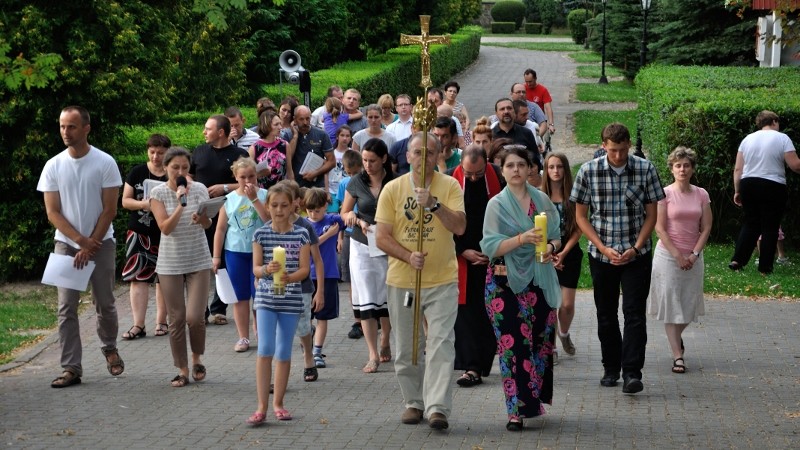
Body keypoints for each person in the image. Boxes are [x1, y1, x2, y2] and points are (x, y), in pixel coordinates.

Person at [375, 132, 466, 430]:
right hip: (404, 281)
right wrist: (407, 256)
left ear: (438, 156)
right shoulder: (393, 189)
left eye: (429, 152)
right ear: (408, 156)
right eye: (417, 152)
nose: (423, 157)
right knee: (408, 347)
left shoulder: (450, 185)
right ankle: (414, 402)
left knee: (441, 343)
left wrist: (435, 205)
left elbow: (460, 227)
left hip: (442, 280)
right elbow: (381, 237)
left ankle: (437, 407)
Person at [570, 123, 665, 394]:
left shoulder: (645, 169)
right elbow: (581, 217)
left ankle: (632, 372)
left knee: (634, 313)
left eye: (622, 150)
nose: (618, 156)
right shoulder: (588, 171)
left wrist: (636, 247)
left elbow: (652, 215)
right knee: (606, 313)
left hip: (637, 254)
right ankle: (611, 367)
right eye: (613, 150)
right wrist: (602, 247)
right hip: (602, 255)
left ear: (629, 145)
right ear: (603, 146)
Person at [38, 105, 124, 388]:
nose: (66, 132)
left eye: (71, 126)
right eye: (62, 126)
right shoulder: (53, 165)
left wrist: (90, 245)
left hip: (102, 242)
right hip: (66, 245)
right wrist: (80, 242)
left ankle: (109, 346)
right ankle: (71, 367)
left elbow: (110, 210)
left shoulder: (105, 162)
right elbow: (53, 212)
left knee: (105, 303)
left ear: (86, 128)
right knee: (66, 308)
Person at [480, 145, 561, 431]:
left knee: (538, 344)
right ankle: (515, 410)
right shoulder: (496, 205)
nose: (516, 170)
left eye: (521, 165)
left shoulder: (541, 200)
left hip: (538, 280)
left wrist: (550, 248)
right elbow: (490, 246)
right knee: (512, 346)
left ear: (530, 169)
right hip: (503, 283)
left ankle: (532, 401)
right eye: (510, 165)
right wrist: (521, 239)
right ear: (502, 171)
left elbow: (556, 236)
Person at [246, 183, 311, 426]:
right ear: (267, 206)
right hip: (266, 299)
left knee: (283, 352)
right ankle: (261, 406)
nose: (279, 210)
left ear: (294, 205)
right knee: (265, 349)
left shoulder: (301, 234)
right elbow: (255, 268)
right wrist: (266, 269)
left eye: (284, 205)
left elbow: (305, 269)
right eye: (274, 205)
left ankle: (278, 404)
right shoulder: (260, 234)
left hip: (291, 300)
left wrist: (289, 278)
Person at [150, 147, 214, 387]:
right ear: (166, 167)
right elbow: (165, 228)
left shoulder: (199, 188)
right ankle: (183, 369)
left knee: (195, 317)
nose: (180, 172)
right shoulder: (157, 193)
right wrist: (181, 205)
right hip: (170, 263)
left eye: (185, 168)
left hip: (198, 258)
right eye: (175, 167)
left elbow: (208, 223)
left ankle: (197, 358)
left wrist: (202, 219)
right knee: (176, 319)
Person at [648, 146, 712, 374]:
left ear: (692, 169)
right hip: (668, 257)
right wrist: (677, 255)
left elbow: (706, 227)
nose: (682, 169)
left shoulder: (701, 194)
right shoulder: (664, 194)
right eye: (678, 165)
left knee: (689, 304)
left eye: (686, 165)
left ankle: (676, 337)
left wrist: (694, 254)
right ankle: (678, 356)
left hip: (693, 256)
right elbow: (659, 228)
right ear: (672, 169)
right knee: (671, 305)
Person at [447, 144, 503, 387]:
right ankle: (471, 367)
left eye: (478, 174)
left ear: (486, 164)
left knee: (489, 311)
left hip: (492, 255)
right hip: (463, 256)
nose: (472, 178)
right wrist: (463, 250)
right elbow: (443, 221)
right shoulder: (450, 179)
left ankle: (483, 362)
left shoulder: (498, 176)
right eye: (468, 173)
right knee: (466, 314)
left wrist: (494, 249)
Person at [341, 138, 395, 372]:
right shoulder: (356, 181)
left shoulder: (396, 181)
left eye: (372, 160)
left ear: (383, 159)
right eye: (364, 160)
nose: (367, 165)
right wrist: (354, 218)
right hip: (361, 244)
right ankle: (372, 353)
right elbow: (344, 212)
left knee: (387, 296)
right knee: (366, 298)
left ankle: (385, 340)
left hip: (388, 244)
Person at [192, 114, 248, 325]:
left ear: (221, 132)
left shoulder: (239, 154)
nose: (204, 132)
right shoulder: (199, 151)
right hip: (202, 214)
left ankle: (219, 307)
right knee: (202, 261)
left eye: (208, 129)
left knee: (222, 261)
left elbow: (249, 182)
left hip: (228, 213)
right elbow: (188, 175)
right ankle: (201, 309)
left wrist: (224, 188)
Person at [730, 110, 800, 274]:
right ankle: (765, 267)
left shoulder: (747, 139)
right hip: (773, 185)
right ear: (774, 121)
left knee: (751, 223)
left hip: (748, 183)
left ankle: (737, 260)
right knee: (770, 226)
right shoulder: (782, 138)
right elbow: (795, 165)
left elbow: (738, 168)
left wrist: (737, 190)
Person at [212, 157, 269, 352]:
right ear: (236, 177)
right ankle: (243, 337)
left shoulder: (265, 195)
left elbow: (268, 221)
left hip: (260, 253)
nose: (247, 181)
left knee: (260, 295)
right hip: (235, 252)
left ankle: (261, 332)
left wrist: (254, 199)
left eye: (251, 176)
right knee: (240, 296)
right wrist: (216, 257)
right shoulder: (229, 199)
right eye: (243, 177)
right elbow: (220, 229)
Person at [120, 134, 170, 341]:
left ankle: (161, 321)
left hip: (165, 232)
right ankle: (138, 324)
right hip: (139, 232)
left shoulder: (172, 174)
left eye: (160, 153)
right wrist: (144, 204)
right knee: (137, 277)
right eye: (152, 152)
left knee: (164, 278)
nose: (156, 157)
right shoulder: (137, 172)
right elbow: (125, 201)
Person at [542, 153, 584, 361]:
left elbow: (579, 228)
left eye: (559, 167)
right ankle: (550, 346)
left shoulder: (574, 195)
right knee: (549, 304)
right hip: (546, 253)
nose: (555, 171)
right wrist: (550, 254)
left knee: (566, 305)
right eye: (551, 167)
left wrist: (564, 252)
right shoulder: (540, 196)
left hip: (570, 253)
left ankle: (564, 333)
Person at [304, 188, 345, 368]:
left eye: (317, 211)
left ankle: (317, 351)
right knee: (306, 316)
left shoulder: (332, 219)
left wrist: (354, 219)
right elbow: (309, 247)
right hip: (307, 275)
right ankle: (308, 344)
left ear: (325, 207)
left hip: (328, 274)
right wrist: (329, 235)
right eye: (310, 210)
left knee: (323, 316)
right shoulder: (303, 225)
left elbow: (347, 218)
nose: (313, 214)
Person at [336, 151, 365, 339]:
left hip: (365, 232)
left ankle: (373, 314)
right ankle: (358, 319)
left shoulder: (365, 182)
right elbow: (342, 211)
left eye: (356, 172)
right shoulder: (344, 184)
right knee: (352, 279)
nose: (353, 176)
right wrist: (339, 237)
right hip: (348, 233)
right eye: (350, 173)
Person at [291, 105, 336, 189]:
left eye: (308, 118)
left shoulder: (321, 134)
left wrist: (316, 173)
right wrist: (295, 136)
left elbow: (332, 162)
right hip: (296, 186)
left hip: (317, 187)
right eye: (301, 119)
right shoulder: (288, 134)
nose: (305, 122)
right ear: (295, 119)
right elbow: (287, 158)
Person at [249, 110, 296, 189]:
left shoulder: (284, 145)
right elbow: (248, 175)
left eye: (280, 124)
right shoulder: (254, 148)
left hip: (281, 190)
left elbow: (289, 171)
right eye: (276, 124)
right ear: (266, 126)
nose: (280, 127)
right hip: (262, 191)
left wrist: (294, 190)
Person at [491, 98, 541, 171]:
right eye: (502, 109)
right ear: (496, 113)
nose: (506, 111)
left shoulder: (526, 133)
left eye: (509, 108)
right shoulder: (491, 135)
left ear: (514, 111)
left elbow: (535, 159)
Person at [327, 125, 353, 213]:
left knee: (345, 215)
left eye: (347, 136)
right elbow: (325, 173)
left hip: (347, 191)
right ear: (337, 137)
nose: (345, 138)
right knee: (332, 215)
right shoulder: (331, 153)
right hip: (332, 190)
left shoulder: (352, 153)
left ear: (350, 138)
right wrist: (327, 192)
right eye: (342, 135)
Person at [523, 69, 555, 136]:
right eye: (526, 82)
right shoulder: (522, 89)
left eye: (530, 81)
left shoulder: (543, 90)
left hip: (538, 120)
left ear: (535, 78)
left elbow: (548, 108)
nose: (528, 84)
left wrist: (551, 124)